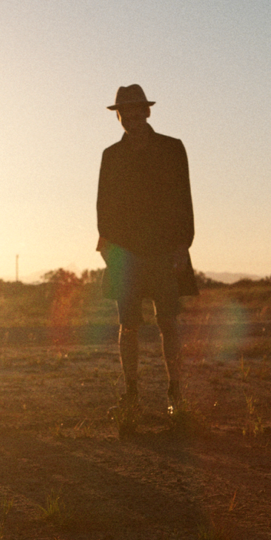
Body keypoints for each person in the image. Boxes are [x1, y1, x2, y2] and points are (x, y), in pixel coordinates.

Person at [96, 84, 198, 436]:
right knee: (129, 326)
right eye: (126, 113)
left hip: (165, 249)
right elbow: (103, 204)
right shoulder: (111, 155)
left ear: (148, 112)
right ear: (119, 115)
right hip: (125, 252)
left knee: (168, 323)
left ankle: (176, 394)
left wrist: (183, 244)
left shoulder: (172, 149)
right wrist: (107, 245)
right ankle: (132, 394)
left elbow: (184, 198)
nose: (134, 118)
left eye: (139, 111)